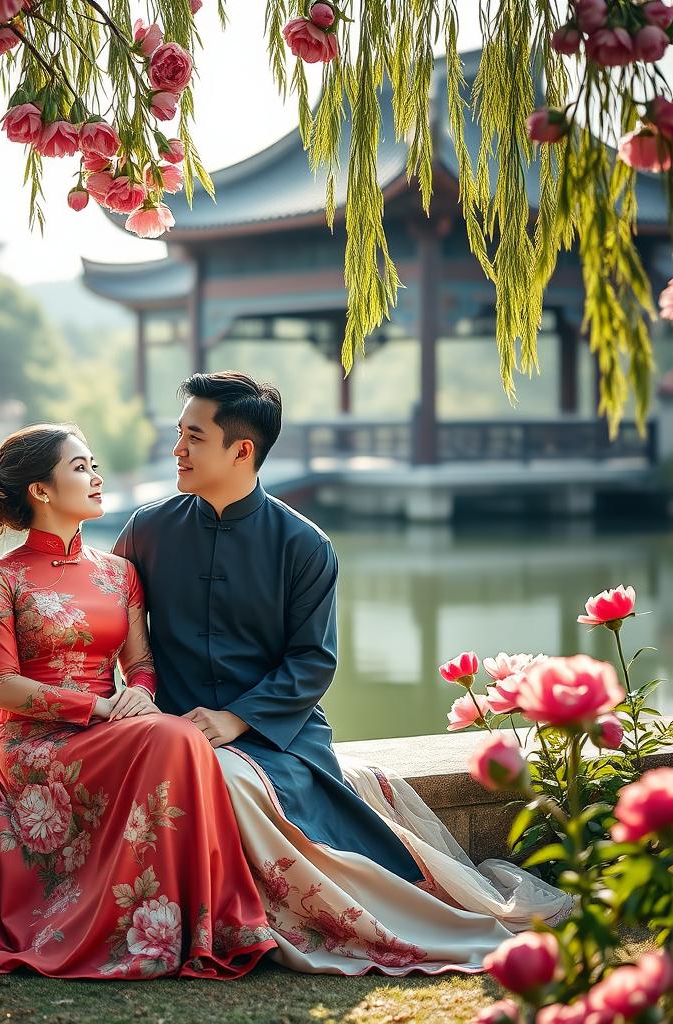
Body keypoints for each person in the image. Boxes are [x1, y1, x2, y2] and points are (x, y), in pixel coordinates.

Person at [114, 372, 573, 976]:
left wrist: (234, 719)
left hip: (275, 733)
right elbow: (112, 626)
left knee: (228, 776)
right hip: (168, 722)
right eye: (179, 434)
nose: (177, 449)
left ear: (241, 450)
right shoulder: (146, 531)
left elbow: (313, 660)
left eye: (193, 437)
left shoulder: (303, 546)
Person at [0, 424, 276, 979]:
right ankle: (167, 925)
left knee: (176, 736)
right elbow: (4, 686)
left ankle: (199, 923)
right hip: (36, 740)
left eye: (93, 465)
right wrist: (100, 709)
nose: (96, 478)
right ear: (41, 491)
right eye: (80, 468)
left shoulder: (120, 573)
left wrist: (140, 697)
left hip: (113, 727)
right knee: (174, 736)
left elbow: (140, 666)